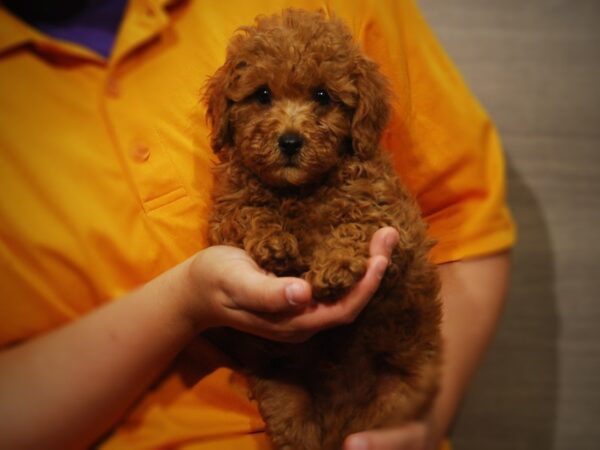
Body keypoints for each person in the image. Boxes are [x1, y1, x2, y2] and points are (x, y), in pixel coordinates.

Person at [0, 1, 515, 449]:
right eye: (262, 98)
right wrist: (186, 301)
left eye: (320, 100)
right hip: (274, 395)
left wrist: (420, 417)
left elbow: (464, 217)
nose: (290, 128)